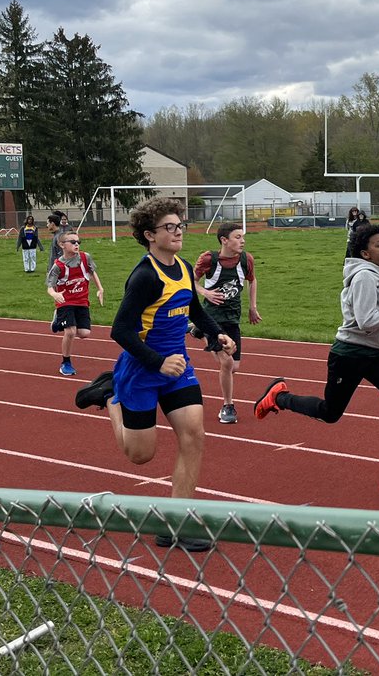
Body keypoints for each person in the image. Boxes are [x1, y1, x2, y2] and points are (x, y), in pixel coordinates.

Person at [73, 197, 235, 552]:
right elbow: (120, 330)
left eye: (180, 226)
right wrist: (156, 362)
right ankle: (111, 395)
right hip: (143, 369)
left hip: (177, 368)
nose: (177, 233)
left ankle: (174, 523)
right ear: (149, 235)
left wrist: (215, 334)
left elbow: (194, 308)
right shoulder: (145, 276)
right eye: (169, 228)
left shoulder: (183, 265)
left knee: (194, 435)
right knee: (140, 455)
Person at [253, 222, 379, 494]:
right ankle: (278, 397)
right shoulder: (364, 278)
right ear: (365, 254)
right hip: (349, 353)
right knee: (330, 413)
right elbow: (366, 322)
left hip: (374, 353)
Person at [192, 222, 260, 425]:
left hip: (232, 318)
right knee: (227, 363)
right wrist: (205, 292)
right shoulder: (209, 259)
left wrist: (252, 307)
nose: (243, 240)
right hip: (212, 317)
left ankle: (198, 331)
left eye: (243, 236)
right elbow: (190, 281)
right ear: (224, 240)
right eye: (238, 237)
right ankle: (227, 406)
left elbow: (252, 280)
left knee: (234, 367)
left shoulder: (246, 260)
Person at [46, 229, 105, 376]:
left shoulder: (85, 258)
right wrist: (55, 294)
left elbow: (92, 272)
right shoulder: (58, 266)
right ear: (62, 245)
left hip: (82, 301)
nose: (76, 244)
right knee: (70, 331)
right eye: (73, 242)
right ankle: (65, 362)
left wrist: (100, 289)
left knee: (85, 333)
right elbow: (49, 287)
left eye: (78, 241)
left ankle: (57, 321)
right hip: (65, 302)